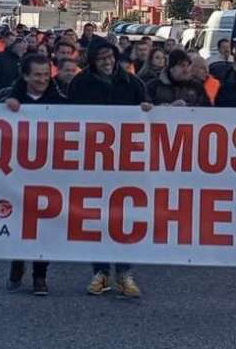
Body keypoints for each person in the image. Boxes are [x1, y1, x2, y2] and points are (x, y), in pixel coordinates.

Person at [67, 36, 151, 298]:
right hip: (93, 160)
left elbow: (146, 112)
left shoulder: (132, 83)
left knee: (123, 217)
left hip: (125, 160)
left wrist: (148, 109)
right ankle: (101, 272)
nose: (107, 62)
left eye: (110, 57)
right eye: (101, 58)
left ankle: (124, 272)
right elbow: (66, 118)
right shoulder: (80, 84)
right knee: (97, 217)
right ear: (93, 61)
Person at [3, 54, 65, 295]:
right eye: (37, 75)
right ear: (26, 76)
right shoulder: (10, 100)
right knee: (19, 222)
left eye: (45, 75)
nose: (42, 79)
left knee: (44, 225)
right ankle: (17, 265)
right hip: (18, 174)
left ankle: (40, 275)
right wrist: (7, 104)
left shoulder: (60, 103)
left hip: (49, 174)